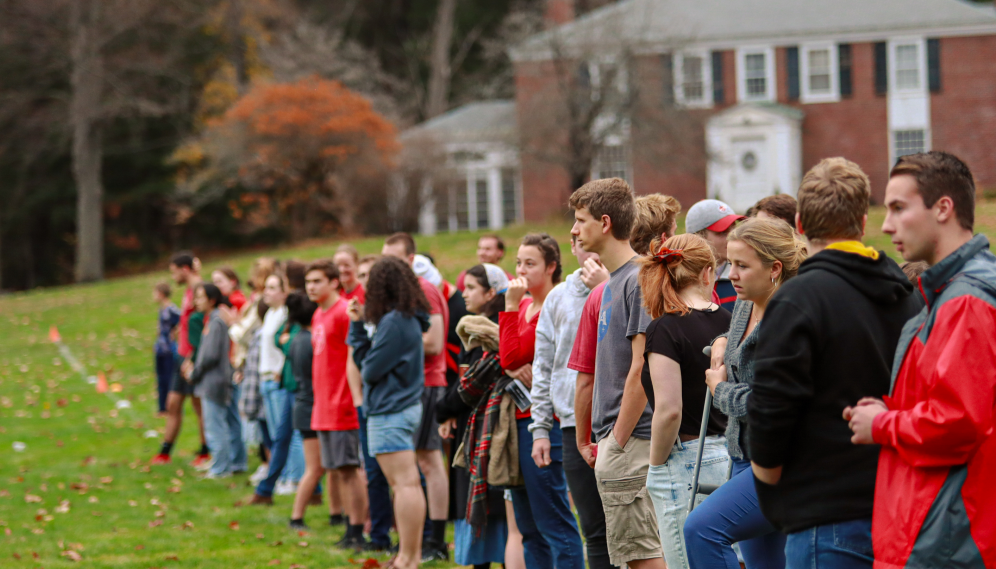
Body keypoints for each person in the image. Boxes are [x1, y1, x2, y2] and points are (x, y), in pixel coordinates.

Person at [746, 158, 921, 569]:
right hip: (898, 511)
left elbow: (770, 412)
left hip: (825, 520)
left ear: (801, 224)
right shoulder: (906, 294)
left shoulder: (798, 300)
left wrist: (772, 494)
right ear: (863, 221)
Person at [845, 151, 996, 568]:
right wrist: (890, 410)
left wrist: (882, 424)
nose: (886, 225)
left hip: (946, 538)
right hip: (939, 531)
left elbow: (960, 422)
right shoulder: (947, 294)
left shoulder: (966, 302)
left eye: (898, 208)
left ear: (943, 208)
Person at [685, 218, 807, 569]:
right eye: (729, 263)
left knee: (701, 529)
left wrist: (720, 390)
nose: (731, 274)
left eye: (742, 265)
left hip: (781, 466)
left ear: (775, 269)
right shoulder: (744, 303)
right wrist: (721, 340)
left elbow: (768, 403)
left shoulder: (789, 319)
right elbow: (734, 347)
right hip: (742, 457)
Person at [566, 192, 679, 569]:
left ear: (605, 223)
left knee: (645, 558)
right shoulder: (615, 281)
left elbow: (641, 370)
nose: (574, 229)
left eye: (580, 220)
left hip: (633, 443)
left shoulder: (638, 278)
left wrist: (615, 441)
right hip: (623, 443)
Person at [637, 233, 731, 569]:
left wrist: (656, 464)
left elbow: (668, 410)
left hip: (686, 458)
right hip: (732, 454)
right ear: (708, 273)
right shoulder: (730, 321)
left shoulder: (664, 328)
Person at [499, 233, 585, 569]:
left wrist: (507, 308)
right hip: (520, 420)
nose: (521, 270)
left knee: (554, 522)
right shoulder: (523, 305)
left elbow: (508, 356)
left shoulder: (553, 305)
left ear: (551, 267)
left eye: (530, 263)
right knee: (529, 525)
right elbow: (510, 362)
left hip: (545, 421)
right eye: (518, 262)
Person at [530, 233, 610, 569]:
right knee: (593, 527)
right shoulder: (558, 298)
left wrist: (606, 288)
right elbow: (543, 364)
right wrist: (539, 428)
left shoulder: (625, 285)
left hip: (620, 420)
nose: (589, 253)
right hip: (572, 424)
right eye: (580, 245)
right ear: (572, 249)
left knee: (631, 524)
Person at [347, 256, 432, 569]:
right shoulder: (407, 317)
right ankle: (407, 555)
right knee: (406, 483)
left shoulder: (395, 321)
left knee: (405, 484)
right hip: (401, 407)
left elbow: (369, 370)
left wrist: (356, 329)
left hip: (390, 410)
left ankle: (409, 558)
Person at [437, 263, 512, 569]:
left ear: (491, 292)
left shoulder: (493, 330)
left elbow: (471, 385)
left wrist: (444, 409)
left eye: (470, 287)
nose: (463, 292)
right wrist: (450, 411)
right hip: (472, 427)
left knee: (495, 513)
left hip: (489, 430)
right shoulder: (474, 325)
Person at [382, 232, 451, 561]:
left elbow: (435, 342)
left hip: (426, 383)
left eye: (395, 260)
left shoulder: (424, 290)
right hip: (401, 386)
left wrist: (392, 343)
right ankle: (412, 540)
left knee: (428, 461)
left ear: (411, 260)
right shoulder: (395, 295)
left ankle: (435, 541)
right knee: (407, 468)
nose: (390, 267)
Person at [304, 260, 371, 549]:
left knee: (349, 469)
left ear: (334, 282)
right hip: (323, 405)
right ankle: (349, 526)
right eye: (308, 282)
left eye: (317, 281)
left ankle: (358, 529)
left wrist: (351, 396)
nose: (311, 287)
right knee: (338, 471)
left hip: (342, 403)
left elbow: (356, 357)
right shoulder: (319, 313)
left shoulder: (344, 311)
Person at [183, 283, 247, 478]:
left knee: (215, 425)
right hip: (220, 379)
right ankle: (237, 463)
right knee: (230, 422)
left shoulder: (216, 321)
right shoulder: (215, 319)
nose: (196, 301)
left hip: (214, 381)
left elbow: (209, 355)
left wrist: (194, 372)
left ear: (212, 300)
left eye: (200, 297)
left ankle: (221, 468)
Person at [152, 252, 210, 466]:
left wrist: (194, 356)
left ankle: (206, 451)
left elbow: (202, 322)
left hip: (191, 356)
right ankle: (165, 451)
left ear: (184, 269)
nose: (172, 276)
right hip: (181, 353)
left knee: (198, 406)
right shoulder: (189, 290)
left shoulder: (198, 289)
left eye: (174, 271)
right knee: (172, 403)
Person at [247, 274, 298, 505]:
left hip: (278, 379)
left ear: (283, 291)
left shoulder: (286, 314)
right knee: (278, 434)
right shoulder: (270, 313)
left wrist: (279, 370)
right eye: (265, 287)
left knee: (287, 433)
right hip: (265, 377)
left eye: (272, 288)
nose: (266, 292)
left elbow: (285, 345)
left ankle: (293, 477)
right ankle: (284, 476)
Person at [285, 291, 321, 529]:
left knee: (326, 466)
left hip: (304, 405)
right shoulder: (308, 340)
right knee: (315, 467)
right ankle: (296, 516)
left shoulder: (296, 338)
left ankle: (337, 513)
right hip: (309, 408)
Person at [685, 200, 746, 312]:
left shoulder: (745, 277)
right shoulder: (680, 281)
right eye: (722, 232)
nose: (733, 238)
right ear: (698, 238)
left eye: (735, 230)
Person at [153, 282, 181, 416]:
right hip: (160, 349)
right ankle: (162, 408)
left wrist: (176, 331)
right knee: (160, 379)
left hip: (169, 350)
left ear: (161, 294)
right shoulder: (162, 309)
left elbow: (181, 321)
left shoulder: (171, 309)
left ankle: (169, 407)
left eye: (155, 293)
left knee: (168, 378)